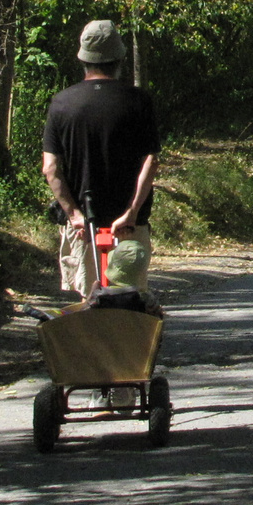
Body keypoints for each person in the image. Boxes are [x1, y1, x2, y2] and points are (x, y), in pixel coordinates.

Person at [41, 20, 160, 297]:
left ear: (83, 59)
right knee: (130, 301)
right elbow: (151, 162)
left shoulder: (61, 102)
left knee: (89, 302)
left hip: (83, 228)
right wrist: (130, 213)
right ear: (119, 59)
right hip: (129, 227)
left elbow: (51, 168)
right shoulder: (139, 101)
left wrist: (74, 215)